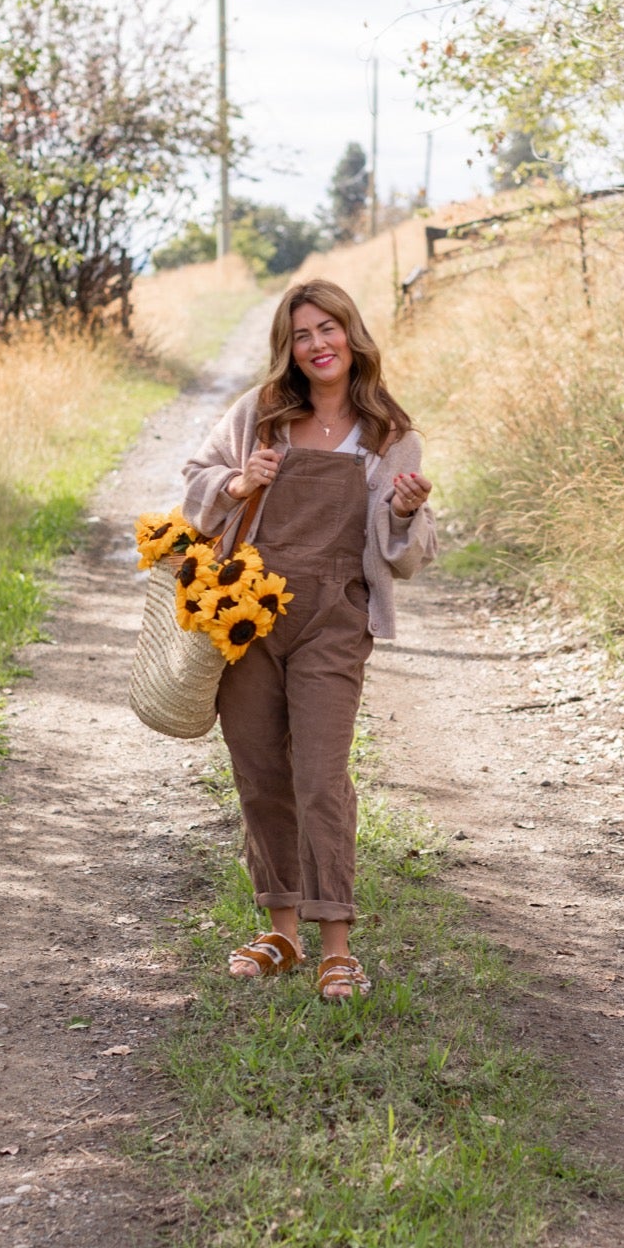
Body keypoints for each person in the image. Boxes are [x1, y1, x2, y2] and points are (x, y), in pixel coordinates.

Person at [181, 278, 436, 1001]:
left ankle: (336, 945)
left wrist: (403, 511)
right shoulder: (260, 415)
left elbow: (405, 555)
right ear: (286, 347)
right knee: (259, 770)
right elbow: (195, 481)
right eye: (301, 334)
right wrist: (236, 483)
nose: (317, 344)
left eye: (328, 328)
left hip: (333, 616)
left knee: (320, 776)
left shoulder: (390, 434)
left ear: (352, 335)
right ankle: (282, 933)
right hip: (249, 613)